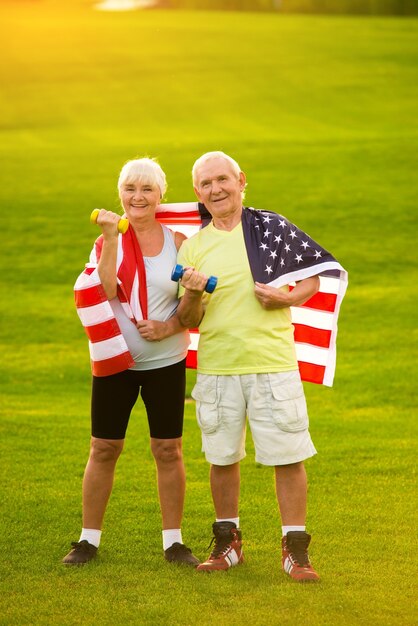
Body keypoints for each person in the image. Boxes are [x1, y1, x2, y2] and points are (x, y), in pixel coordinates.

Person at [177, 151, 345, 581]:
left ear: (240, 180)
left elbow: (315, 274)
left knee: (288, 456)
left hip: (272, 364)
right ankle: (228, 543)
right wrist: (193, 293)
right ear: (197, 192)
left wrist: (287, 298)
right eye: (206, 184)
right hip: (217, 367)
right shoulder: (194, 246)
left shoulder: (269, 227)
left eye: (223, 180)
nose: (216, 189)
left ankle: (296, 550)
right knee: (222, 457)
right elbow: (189, 320)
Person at [63, 157, 199, 567]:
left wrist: (171, 327)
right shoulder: (109, 238)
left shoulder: (177, 242)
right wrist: (109, 236)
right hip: (115, 365)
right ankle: (88, 541)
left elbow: (194, 309)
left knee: (168, 449)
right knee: (104, 448)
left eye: (147, 189)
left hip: (166, 363)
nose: (138, 197)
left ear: (161, 195)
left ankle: (173, 543)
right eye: (130, 189)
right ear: (119, 193)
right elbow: (106, 289)